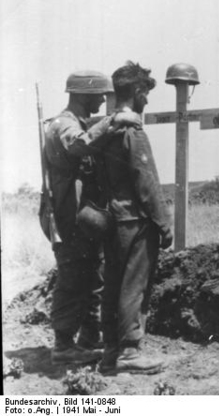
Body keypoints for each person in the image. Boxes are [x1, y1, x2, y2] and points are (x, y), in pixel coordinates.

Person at [43, 70, 141, 365]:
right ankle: (62, 345)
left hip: (81, 217)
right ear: (84, 94)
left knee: (90, 276)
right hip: (67, 217)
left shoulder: (81, 124)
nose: (103, 99)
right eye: (100, 94)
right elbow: (78, 146)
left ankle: (86, 341)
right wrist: (113, 121)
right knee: (73, 277)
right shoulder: (63, 125)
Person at [99, 61, 172, 375]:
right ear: (138, 91)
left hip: (113, 218)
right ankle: (130, 353)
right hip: (135, 220)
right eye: (145, 93)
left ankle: (110, 353)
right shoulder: (133, 131)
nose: (147, 100)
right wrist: (163, 222)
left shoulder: (108, 128)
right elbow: (146, 181)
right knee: (134, 286)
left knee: (114, 285)